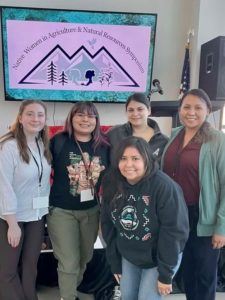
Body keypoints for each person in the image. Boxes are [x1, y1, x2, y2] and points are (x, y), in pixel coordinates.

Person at [101, 136, 189, 300]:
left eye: (135, 158)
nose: (128, 165)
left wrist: (165, 274)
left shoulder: (164, 187)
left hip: (160, 256)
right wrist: (115, 263)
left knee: (147, 298)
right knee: (127, 296)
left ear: (147, 159)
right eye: (123, 158)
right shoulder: (110, 182)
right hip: (130, 253)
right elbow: (108, 226)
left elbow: (173, 232)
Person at [162, 88, 225, 300]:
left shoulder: (217, 140)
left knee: (205, 275)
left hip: (202, 216)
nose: (191, 112)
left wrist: (221, 227)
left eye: (198, 107)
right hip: (175, 216)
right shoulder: (175, 135)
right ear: (180, 109)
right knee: (187, 270)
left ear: (208, 110)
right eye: (187, 107)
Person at [47, 101, 109, 300]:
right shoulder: (58, 141)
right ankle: (68, 296)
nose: (85, 119)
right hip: (61, 211)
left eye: (91, 116)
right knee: (68, 261)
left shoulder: (104, 146)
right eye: (80, 115)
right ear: (71, 118)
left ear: (96, 121)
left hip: (91, 211)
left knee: (85, 258)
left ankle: (71, 289)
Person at [0, 100, 51, 300]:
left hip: (36, 216)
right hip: (12, 218)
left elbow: (42, 182)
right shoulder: (8, 147)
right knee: (8, 272)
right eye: (30, 114)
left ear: (45, 120)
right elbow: (4, 187)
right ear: (20, 118)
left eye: (40, 115)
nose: (35, 119)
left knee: (31, 267)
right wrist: (13, 224)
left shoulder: (42, 144)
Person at [107, 92, 168, 163]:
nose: (135, 114)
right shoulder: (114, 133)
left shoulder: (163, 141)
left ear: (149, 111)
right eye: (131, 110)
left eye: (140, 109)